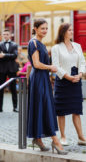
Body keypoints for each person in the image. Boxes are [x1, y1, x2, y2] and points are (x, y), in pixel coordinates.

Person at [27, 19, 68, 155]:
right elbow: (36, 64)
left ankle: (38, 139)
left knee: (43, 107)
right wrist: (51, 67)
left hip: (43, 78)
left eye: (46, 28)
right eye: (42, 28)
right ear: (35, 29)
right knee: (44, 107)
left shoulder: (41, 43)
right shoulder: (33, 43)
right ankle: (55, 141)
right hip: (38, 78)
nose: (45, 31)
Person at [51, 23, 86, 146]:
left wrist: (80, 74)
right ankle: (63, 137)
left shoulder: (77, 46)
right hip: (63, 80)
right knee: (61, 111)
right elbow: (56, 66)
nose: (72, 32)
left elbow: (82, 62)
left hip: (76, 80)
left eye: (72, 30)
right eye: (69, 30)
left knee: (76, 110)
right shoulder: (56, 48)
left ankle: (81, 138)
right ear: (63, 32)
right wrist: (67, 76)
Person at [0, 29, 18, 112]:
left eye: (7, 34)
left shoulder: (14, 44)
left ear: (10, 35)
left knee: (13, 88)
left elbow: (15, 55)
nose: (5, 35)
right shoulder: (0, 44)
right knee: (1, 88)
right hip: (2, 69)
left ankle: (15, 107)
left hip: (12, 69)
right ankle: (0, 108)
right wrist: (7, 56)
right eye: (4, 34)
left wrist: (4, 55)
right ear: (2, 35)